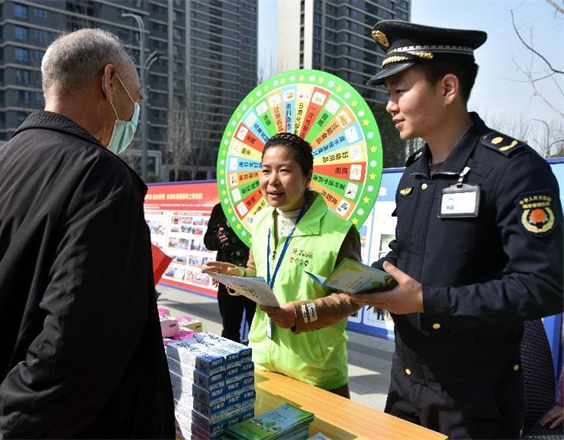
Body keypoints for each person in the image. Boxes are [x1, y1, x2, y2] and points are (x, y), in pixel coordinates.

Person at [0, 29, 174, 439]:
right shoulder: (102, 180)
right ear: (108, 82)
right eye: (135, 98)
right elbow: (74, 349)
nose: (135, 111)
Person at [352, 20, 564, 440]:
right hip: (405, 387)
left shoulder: (514, 170)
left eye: (400, 91)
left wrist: (427, 300)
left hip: (475, 404)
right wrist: (371, 277)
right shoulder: (415, 174)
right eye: (389, 94)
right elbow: (407, 253)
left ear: (448, 88)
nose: (390, 105)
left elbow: (544, 286)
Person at [205, 132, 361, 398]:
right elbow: (257, 274)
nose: (272, 181)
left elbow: (352, 297)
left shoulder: (340, 231)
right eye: (266, 170)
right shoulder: (262, 220)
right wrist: (237, 276)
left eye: (284, 170)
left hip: (315, 371)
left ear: (308, 177)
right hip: (263, 359)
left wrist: (300, 314)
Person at [204, 203, 256, 343]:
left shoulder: (263, 209)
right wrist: (218, 239)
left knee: (257, 330)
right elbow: (208, 241)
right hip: (228, 279)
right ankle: (231, 362)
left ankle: (255, 363)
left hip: (256, 279)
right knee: (229, 329)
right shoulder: (221, 208)